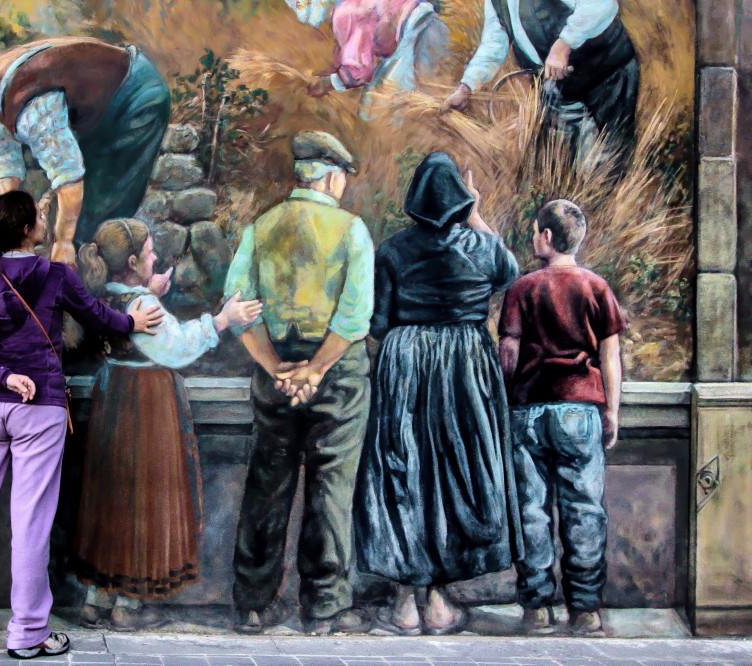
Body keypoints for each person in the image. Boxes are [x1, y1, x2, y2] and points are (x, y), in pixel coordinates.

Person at [0, 191, 163, 658]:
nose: (46, 220)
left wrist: (1, 376)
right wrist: (132, 322)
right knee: (31, 523)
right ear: (27, 230)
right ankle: (27, 634)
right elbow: (98, 318)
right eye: (40, 216)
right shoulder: (55, 275)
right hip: (38, 406)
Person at [353, 152, 523, 635]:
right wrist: (476, 213)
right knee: (455, 472)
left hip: (405, 362)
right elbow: (509, 272)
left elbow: (378, 324)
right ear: (461, 200)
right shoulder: (483, 247)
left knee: (404, 471)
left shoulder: (391, 251)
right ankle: (438, 602)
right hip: (466, 365)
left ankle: (405, 602)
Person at [70, 219, 262, 631]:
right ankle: (128, 600)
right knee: (143, 495)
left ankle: (97, 597)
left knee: (112, 496)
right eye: (150, 253)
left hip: (114, 396)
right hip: (146, 405)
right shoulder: (145, 305)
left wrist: (150, 291)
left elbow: (138, 327)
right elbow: (177, 348)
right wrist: (222, 319)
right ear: (133, 262)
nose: (156, 258)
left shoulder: (107, 295)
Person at [224, 131, 375, 635]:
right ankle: (325, 608)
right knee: (332, 484)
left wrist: (275, 369)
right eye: (343, 177)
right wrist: (316, 369)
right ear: (331, 178)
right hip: (337, 374)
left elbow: (239, 309)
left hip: (276, 371)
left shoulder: (261, 228)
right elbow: (354, 316)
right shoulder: (352, 230)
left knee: (268, 481)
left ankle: (252, 603)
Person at [0, 36, 170, 265]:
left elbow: (69, 178)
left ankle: (110, 279)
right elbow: (6, 162)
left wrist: (63, 243)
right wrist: (9, 228)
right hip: (103, 107)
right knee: (71, 213)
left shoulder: (31, 107)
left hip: (138, 95)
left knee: (97, 211)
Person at [498, 199, 624, 637]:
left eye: (537, 231)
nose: (534, 237)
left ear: (547, 237)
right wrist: (611, 409)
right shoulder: (597, 287)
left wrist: (507, 396)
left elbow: (509, 351)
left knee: (531, 510)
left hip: (529, 411)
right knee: (584, 510)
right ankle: (585, 609)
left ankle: (536, 608)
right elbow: (610, 356)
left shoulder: (522, 289)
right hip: (580, 411)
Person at [442, 0, 638, 162]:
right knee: (560, 162)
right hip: (558, 88)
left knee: (610, 159)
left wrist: (565, 43)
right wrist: (466, 87)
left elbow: (602, 4)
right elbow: (494, 42)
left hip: (605, 75)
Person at [307, 0, 448, 105]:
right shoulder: (352, 6)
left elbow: (360, 69)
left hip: (417, 33)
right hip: (430, 23)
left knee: (373, 110)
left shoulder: (342, 15)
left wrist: (327, 83)